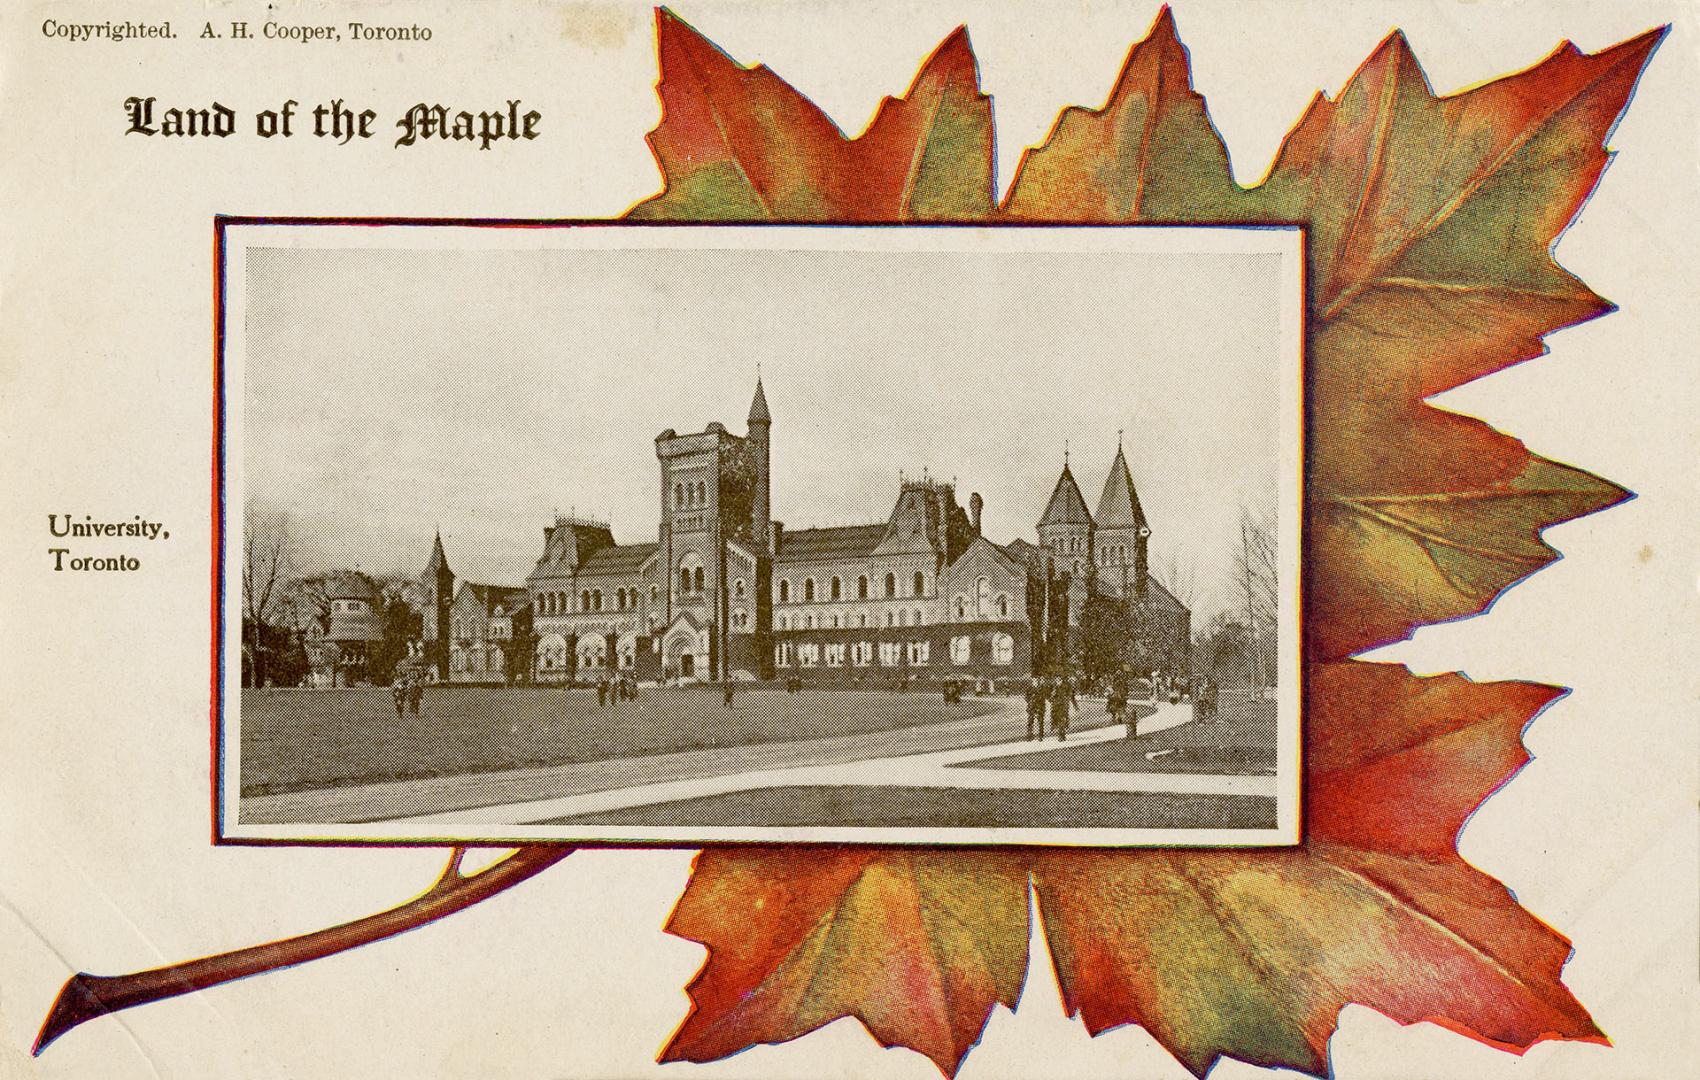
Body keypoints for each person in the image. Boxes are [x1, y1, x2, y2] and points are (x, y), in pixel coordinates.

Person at [1051, 675, 1071, 741]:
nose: (1058, 682)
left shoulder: (1064, 687)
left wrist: (1066, 703)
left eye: (1059, 680)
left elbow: (1068, 695)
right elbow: (1052, 698)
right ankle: (1061, 735)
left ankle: (1061, 736)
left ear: (1061, 680)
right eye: (1057, 680)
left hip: (1063, 706)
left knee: (1062, 720)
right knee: (1059, 721)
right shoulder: (1055, 688)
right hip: (1057, 706)